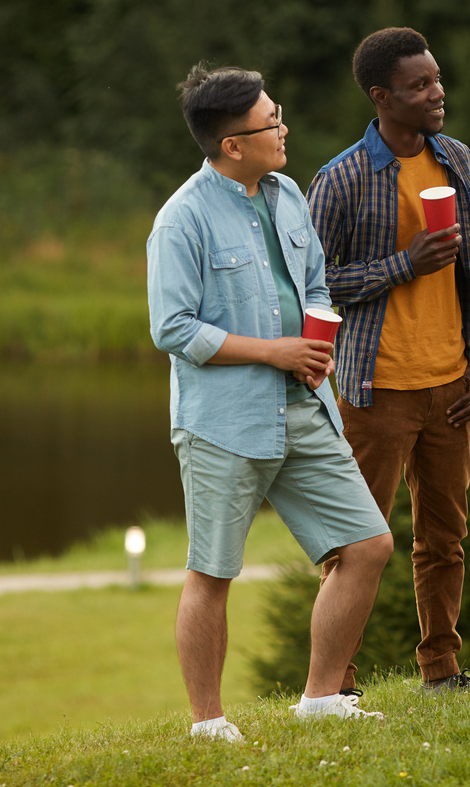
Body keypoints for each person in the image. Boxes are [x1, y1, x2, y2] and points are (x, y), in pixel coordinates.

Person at [148, 64, 394, 735]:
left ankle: (320, 699)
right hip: (223, 423)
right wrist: (272, 351)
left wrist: (317, 338)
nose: (283, 129)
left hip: (307, 406)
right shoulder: (181, 221)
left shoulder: (288, 194)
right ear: (232, 144)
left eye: (278, 113)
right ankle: (208, 722)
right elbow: (172, 328)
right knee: (213, 572)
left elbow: (315, 281)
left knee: (367, 545)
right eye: (270, 122)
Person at [308, 28, 470, 694]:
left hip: (450, 384)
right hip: (377, 389)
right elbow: (308, 286)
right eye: (419, 86)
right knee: (356, 546)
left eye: (437, 79)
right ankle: (336, 683)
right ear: (381, 96)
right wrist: (403, 264)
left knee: (444, 540)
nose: (436, 93)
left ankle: (442, 669)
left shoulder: (456, 160)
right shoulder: (341, 179)